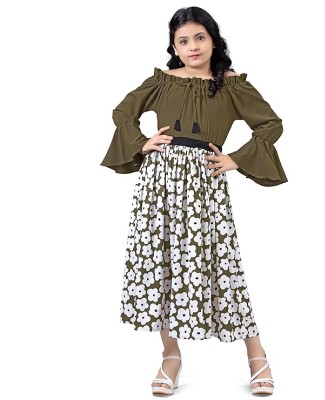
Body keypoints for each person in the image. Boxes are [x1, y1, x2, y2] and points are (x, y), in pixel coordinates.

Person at [100, 6, 287, 396]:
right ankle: (170, 355)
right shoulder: (163, 81)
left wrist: (236, 159)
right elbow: (123, 112)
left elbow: (270, 124)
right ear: (174, 47)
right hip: (158, 185)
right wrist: (142, 143)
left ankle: (257, 356)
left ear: (213, 40)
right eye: (183, 41)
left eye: (200, 37)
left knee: (222, 265)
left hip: (204, 183)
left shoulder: (231, 84)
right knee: (160, 264)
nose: (192, 47)